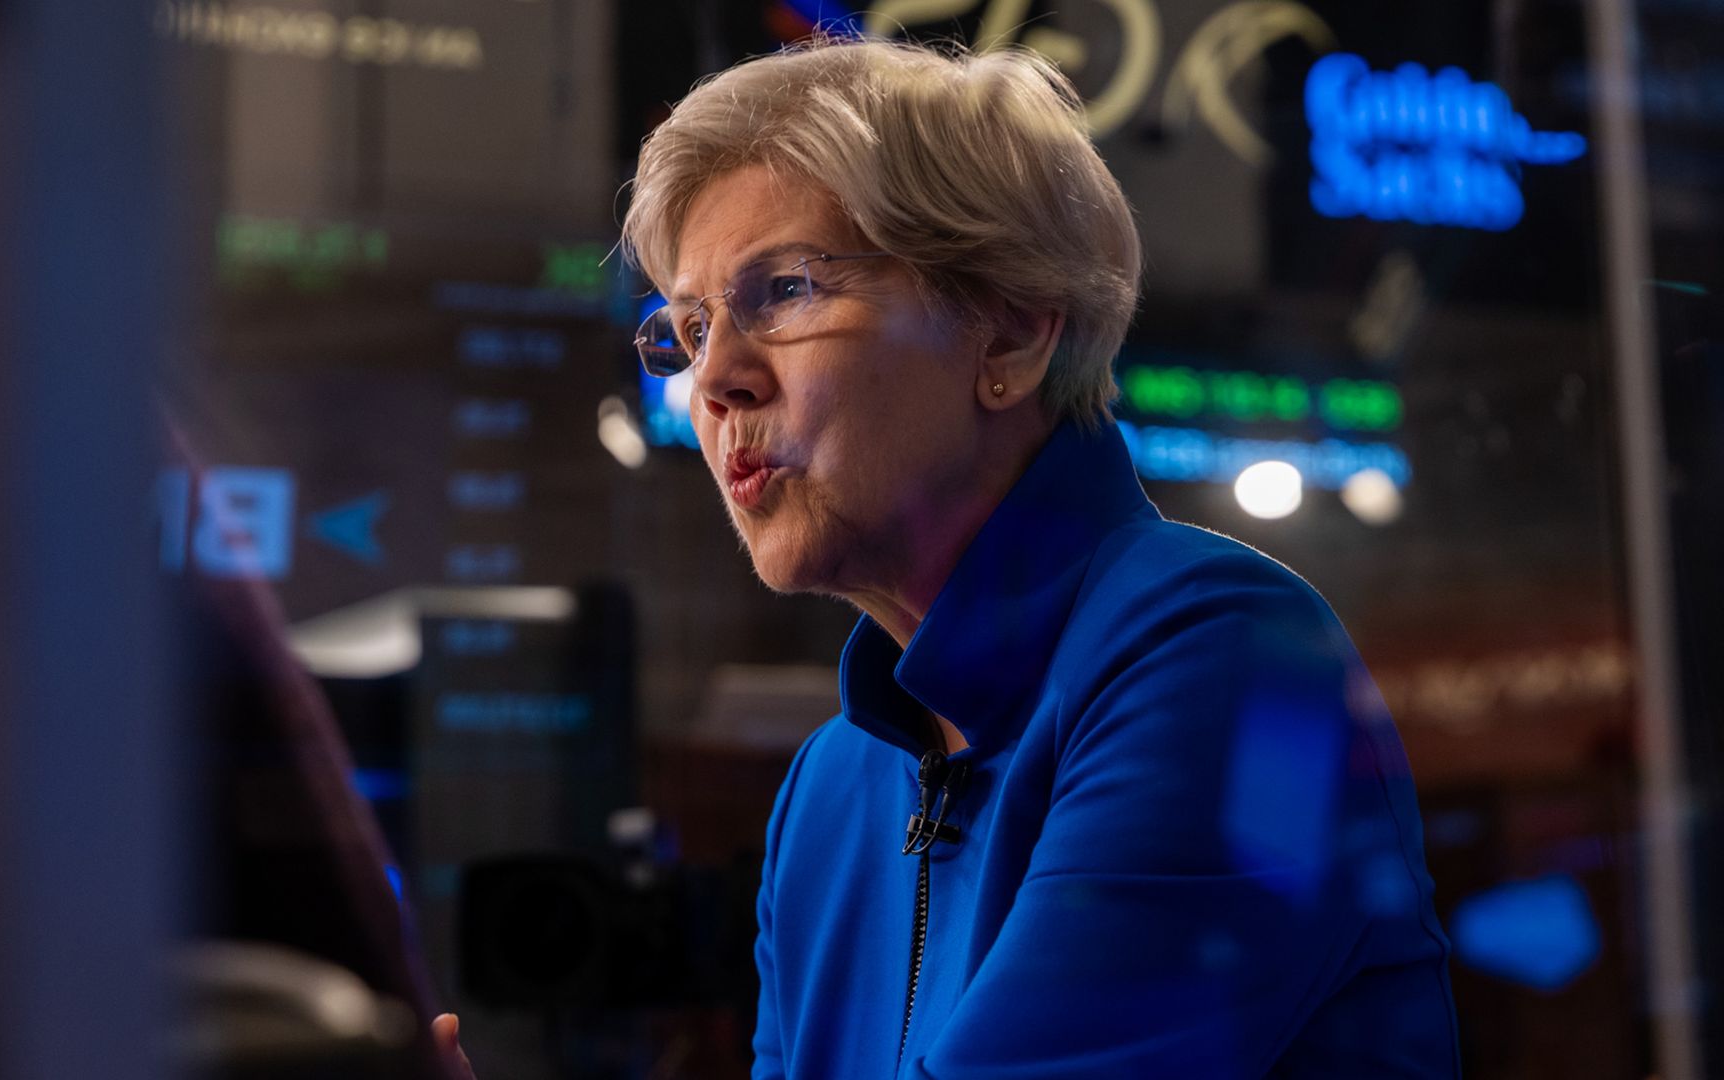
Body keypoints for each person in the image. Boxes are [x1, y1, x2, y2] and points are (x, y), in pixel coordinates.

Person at [439, 35, 1460, 1079]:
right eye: (691, 330)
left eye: (784, 290)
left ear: (1009, 336)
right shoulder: (829, 788)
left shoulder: (1241, 664)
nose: (714, 381)